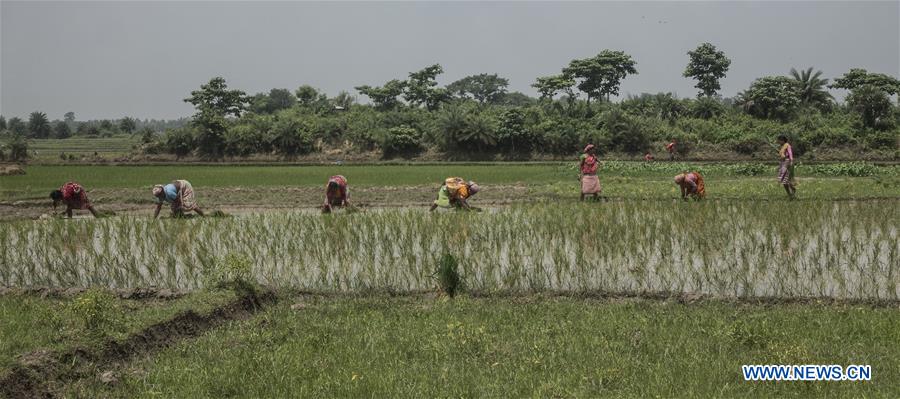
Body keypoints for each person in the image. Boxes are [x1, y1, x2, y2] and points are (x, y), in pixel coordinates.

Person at [777, 134, 797, 199]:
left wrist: (791, 162)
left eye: (779, 140)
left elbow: (790, 154)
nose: (778, 142)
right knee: (783, 180)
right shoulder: (782, 147)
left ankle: (793, 190)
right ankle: (789, 194)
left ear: (783, 140)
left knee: (787, 179)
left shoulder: (787, 146)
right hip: (783, 163)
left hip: (787, 163)